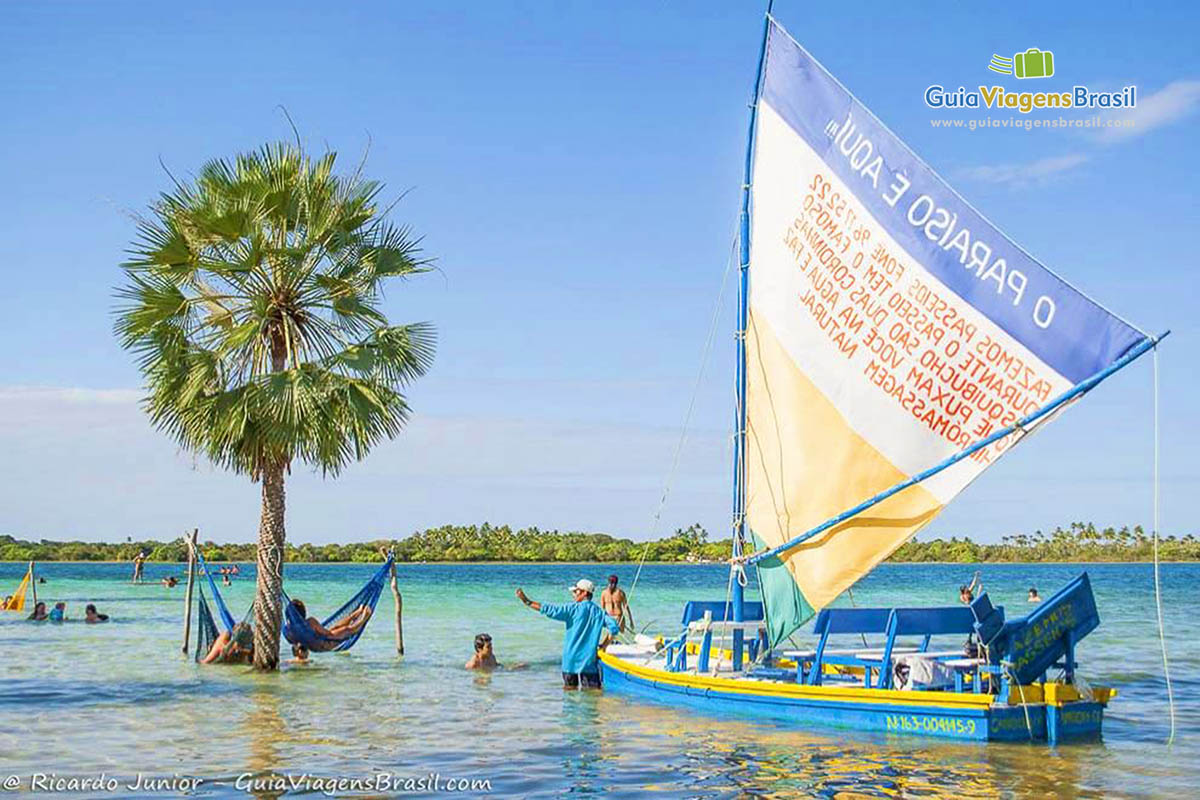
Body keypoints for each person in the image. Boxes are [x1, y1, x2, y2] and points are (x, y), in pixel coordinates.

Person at [517, 579, 620, 689]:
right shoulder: (599, 612)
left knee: (570, 696)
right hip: (589, 663)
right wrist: (603, 646)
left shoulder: (572, 609)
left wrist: (528, 602)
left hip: (569, 662)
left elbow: (549, 610)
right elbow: (614, 628)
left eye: (576, 591)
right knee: (592, 696)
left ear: (585, 593)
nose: (574, 594)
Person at [288, 598, 372, 651]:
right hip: (323, 644)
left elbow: (293, 641)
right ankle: (364, 618)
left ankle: (355, 614)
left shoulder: (289, 627)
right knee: (346, 630)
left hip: (314, 643)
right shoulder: (310, 622)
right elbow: (327, 633)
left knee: (335, 628)